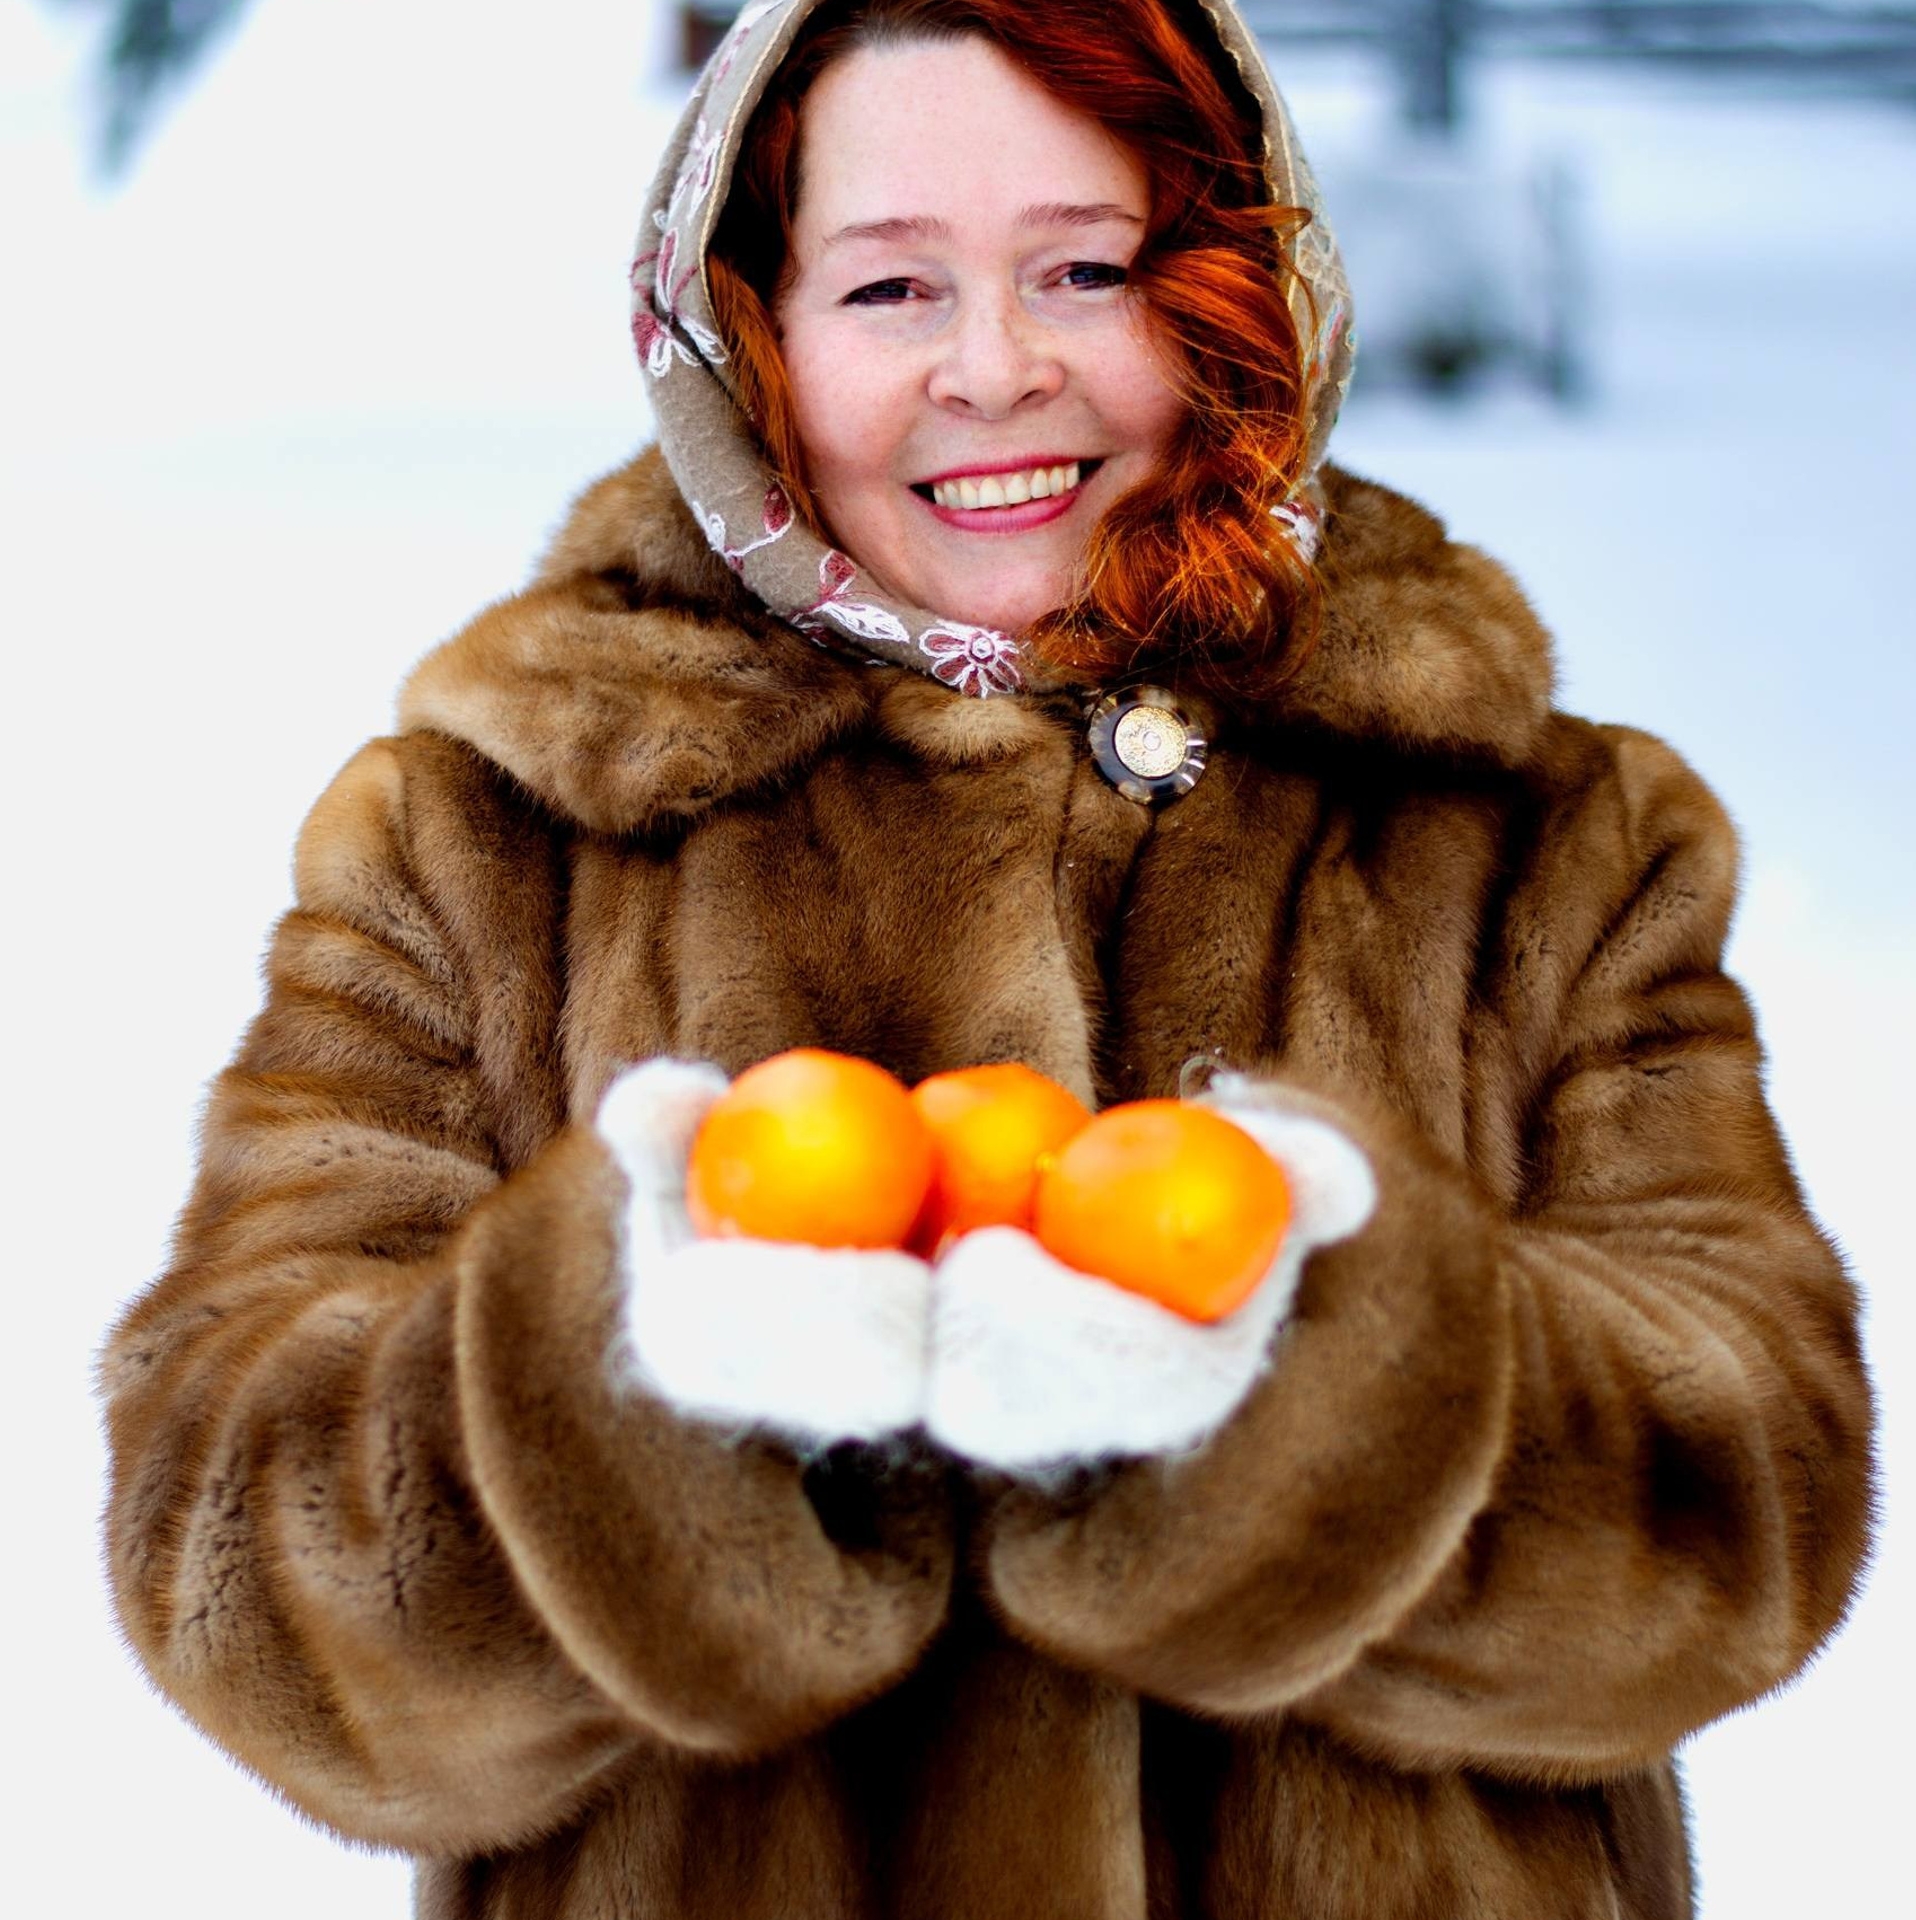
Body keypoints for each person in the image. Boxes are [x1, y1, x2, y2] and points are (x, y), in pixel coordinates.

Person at [100, 0, 1874, 1914]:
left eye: (1085, 268)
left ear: (1231, 290)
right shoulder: (493, 836)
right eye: (889, 292)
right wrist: (620, 1386)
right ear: (747, 331)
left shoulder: (1533, 835)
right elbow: (232, 1548)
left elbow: (1755, 1492)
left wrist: (1331, 1387)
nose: (996, 370)